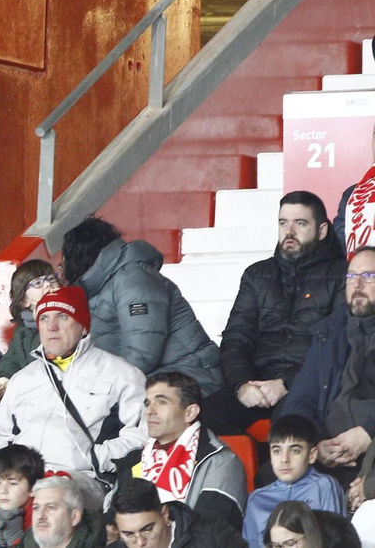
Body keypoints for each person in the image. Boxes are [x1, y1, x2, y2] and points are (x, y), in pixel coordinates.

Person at [208, 191, 344, 433]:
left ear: (322, 231)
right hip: (256, 381)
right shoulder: (257, 275)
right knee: (205, 415)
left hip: (312, 383)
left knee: (289, 425)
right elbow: (236, 338)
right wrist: (242, 385)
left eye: (300, 223)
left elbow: (339, 344)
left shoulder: (342, 274)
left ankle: (270, 472)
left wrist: (287, 383)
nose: (289, 232)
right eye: (283, 223)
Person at [0, 286, 147, 494]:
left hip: (84, 480)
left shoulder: (123, 374)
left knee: (53, 495)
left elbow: (139, 437)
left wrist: (93, 458)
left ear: (83, 327)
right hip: (23, 480)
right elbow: (2, 435)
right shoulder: (22, 378)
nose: (51, 327)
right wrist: (10, 471)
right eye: (44, 319)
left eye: (62, 317)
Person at [62, 216, 224, 393]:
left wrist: (99, 387)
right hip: (155, 377)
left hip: (189, 376)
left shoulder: (132, 280)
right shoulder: (104, 284)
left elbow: (142, 355)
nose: (62, 268)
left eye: (64, 261)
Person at [278, 245, 375, 472]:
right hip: (331, 452)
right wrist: (317, 443)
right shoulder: (329, 332)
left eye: (368, 276)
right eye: (351, 276)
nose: (357, 285)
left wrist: (367, 434)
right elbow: (298, 403)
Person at [111, 372, 247, 530]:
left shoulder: (221, 463)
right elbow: (113, 520)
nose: (150, 411)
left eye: (161, 402)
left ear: (190, 413)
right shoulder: (134, 459)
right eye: (147, 403)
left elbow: (211, 534)